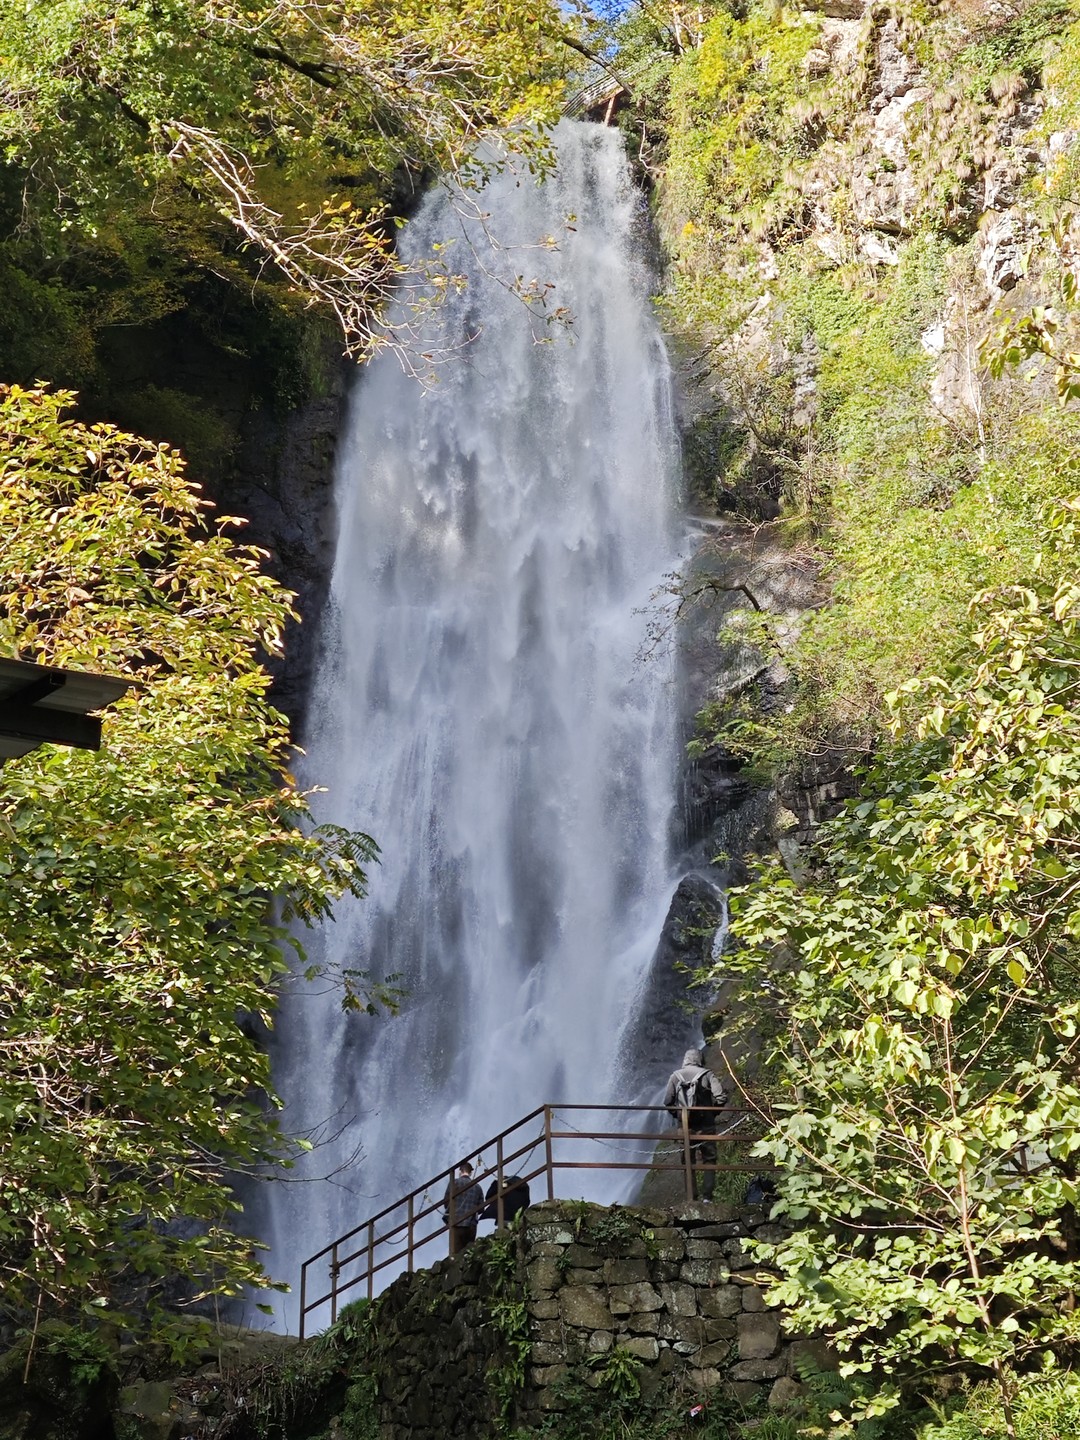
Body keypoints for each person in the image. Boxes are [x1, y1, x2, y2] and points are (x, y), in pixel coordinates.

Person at [664, 1046, 725, 1201]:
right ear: (700, 1059)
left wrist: (679, 1115)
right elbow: (721, 1097)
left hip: (685, 1127)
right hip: (706, 1125)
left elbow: (667, 1102)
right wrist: (713, 1112)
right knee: (709, 1159)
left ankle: (692, 1198)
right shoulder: (707, 1074)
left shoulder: (675, 1076)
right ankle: (707, 1197)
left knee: (687, 1162)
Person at [442, 1160, 483, 1255]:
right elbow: (481, 1208)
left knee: (455, 1254)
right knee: (469, 1254)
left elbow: (446, 1202)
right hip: (471, 1225)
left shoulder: (454, 1183)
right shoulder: (478, 1187)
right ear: (471, 1172)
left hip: (456, 1223)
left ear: (460, 1171)